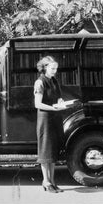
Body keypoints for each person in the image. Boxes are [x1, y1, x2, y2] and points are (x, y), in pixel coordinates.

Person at [33, 56, 67, 193]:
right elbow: (38, 104)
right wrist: (53, 108)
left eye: (56, 69)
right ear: (45, 67)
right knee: (45, 152)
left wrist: (61, 103)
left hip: (55, 118)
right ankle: (46, 182)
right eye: (52, 68)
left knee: (52, 152)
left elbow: (58, 97)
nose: (55, 71)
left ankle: (53, 181)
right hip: (45, 119)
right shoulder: (40, 82)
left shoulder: (54, 81)